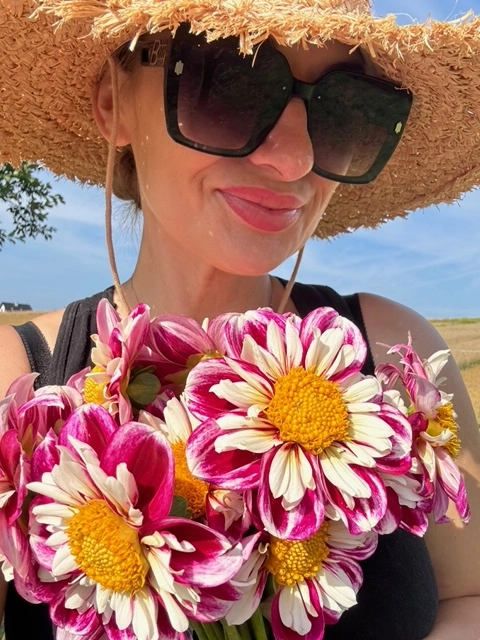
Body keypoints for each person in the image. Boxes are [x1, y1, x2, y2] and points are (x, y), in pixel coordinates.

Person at [0, 0, 479, 638]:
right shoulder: (15, 383)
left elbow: (470, 596)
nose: (295, 160)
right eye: (232, 83)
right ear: (113, 105)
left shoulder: (398, 355)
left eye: (345, 111)